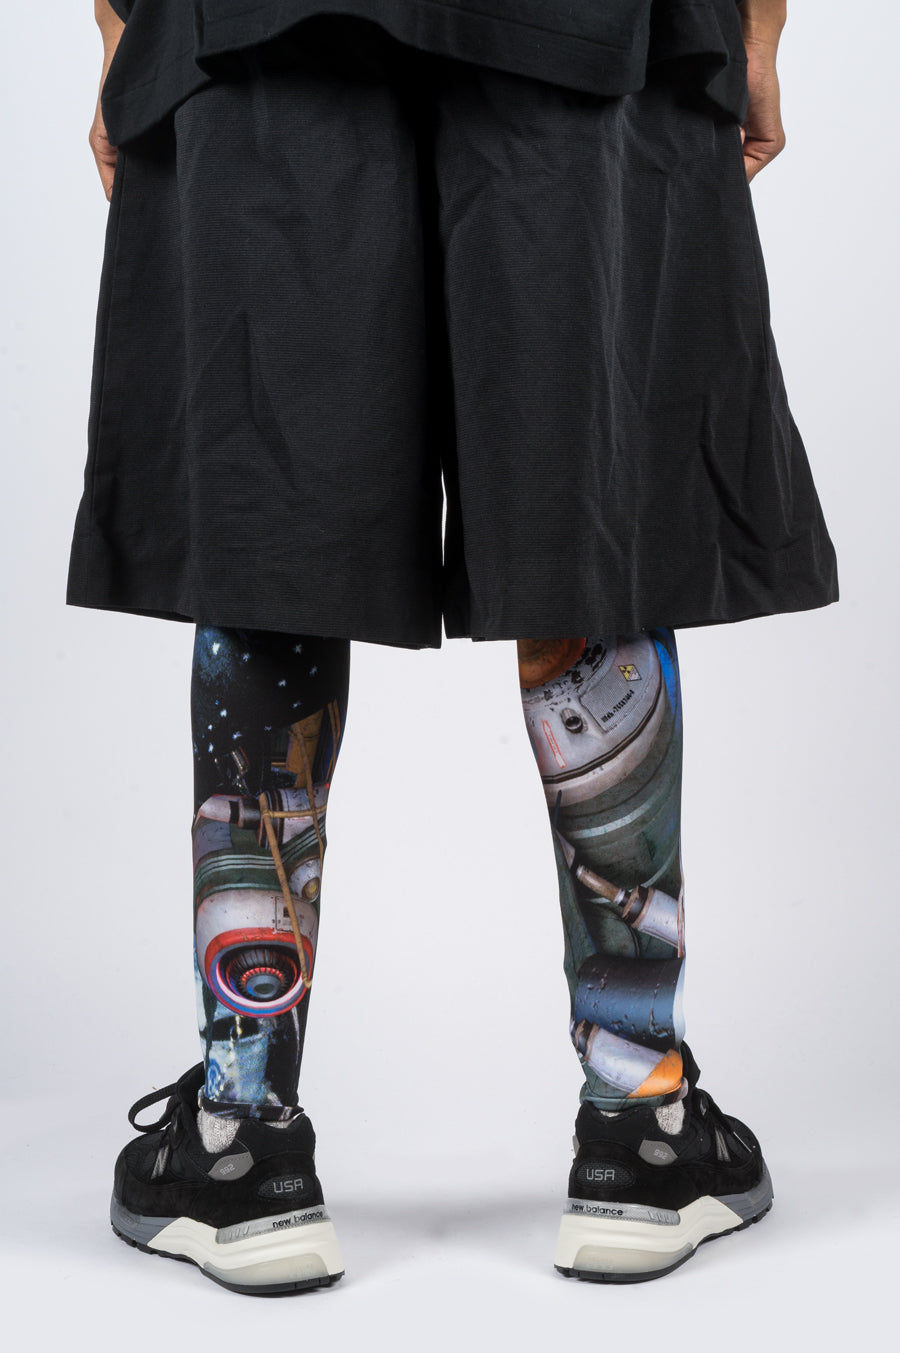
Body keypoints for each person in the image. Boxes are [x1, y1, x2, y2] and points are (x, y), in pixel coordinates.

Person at [71, 0, 838, 1294]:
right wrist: (756, 32)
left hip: (257, 24)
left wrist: (122, 27)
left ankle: (240, 1137)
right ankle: (642, 1121)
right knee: (586, 518)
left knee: (272, 528)